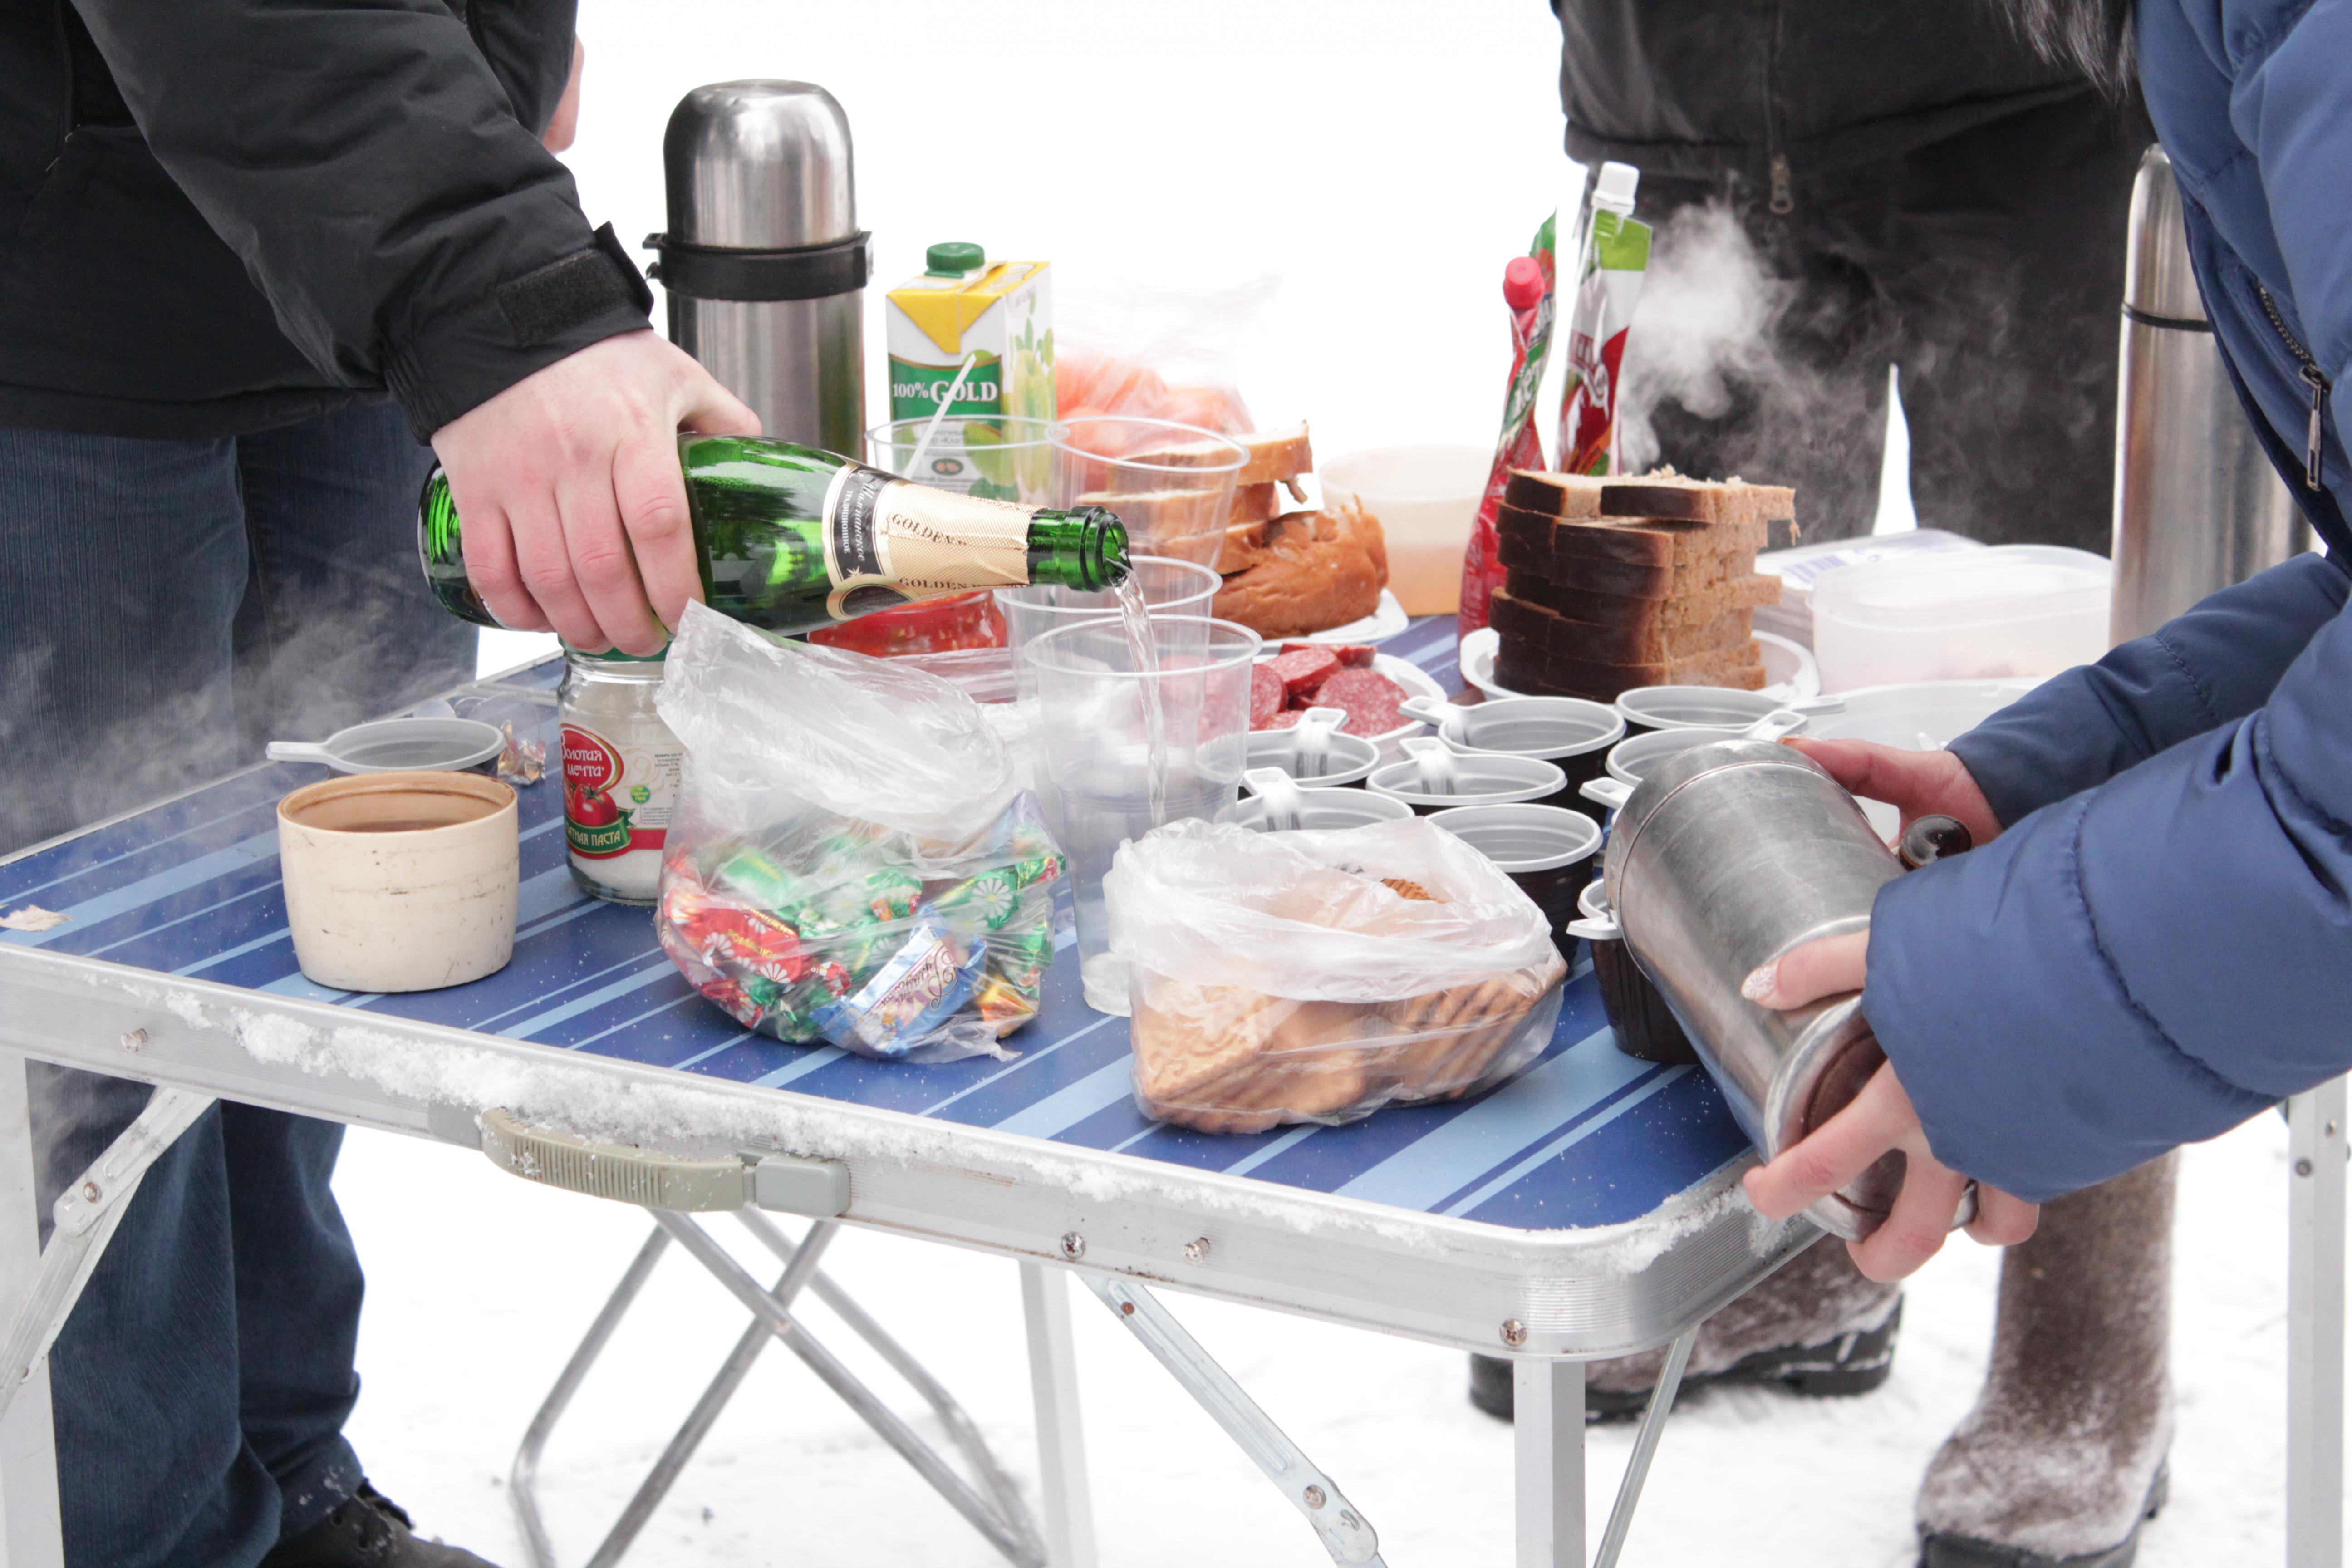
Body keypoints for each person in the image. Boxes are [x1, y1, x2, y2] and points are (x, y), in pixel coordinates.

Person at [1, 1, 750, 1562]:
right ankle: (140, 1540)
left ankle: (282, 1488)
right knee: (84, 1027)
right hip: (51, 297)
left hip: (342, 268)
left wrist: (495, 52)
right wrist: (499, 294)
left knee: (332, 949)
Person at [1465, 7, 2177, 1566]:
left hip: (2018, 97)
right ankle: (1810, 1242)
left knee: (2070, 718)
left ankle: (2083, 1344)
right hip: (1678, 92)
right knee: (1716, 727)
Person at [1739, 1, 2352, 1565]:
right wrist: (2084, 772)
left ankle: (2080, 1364)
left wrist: (2019, 1003)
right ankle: (1814, 1232)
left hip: (1982, 147)